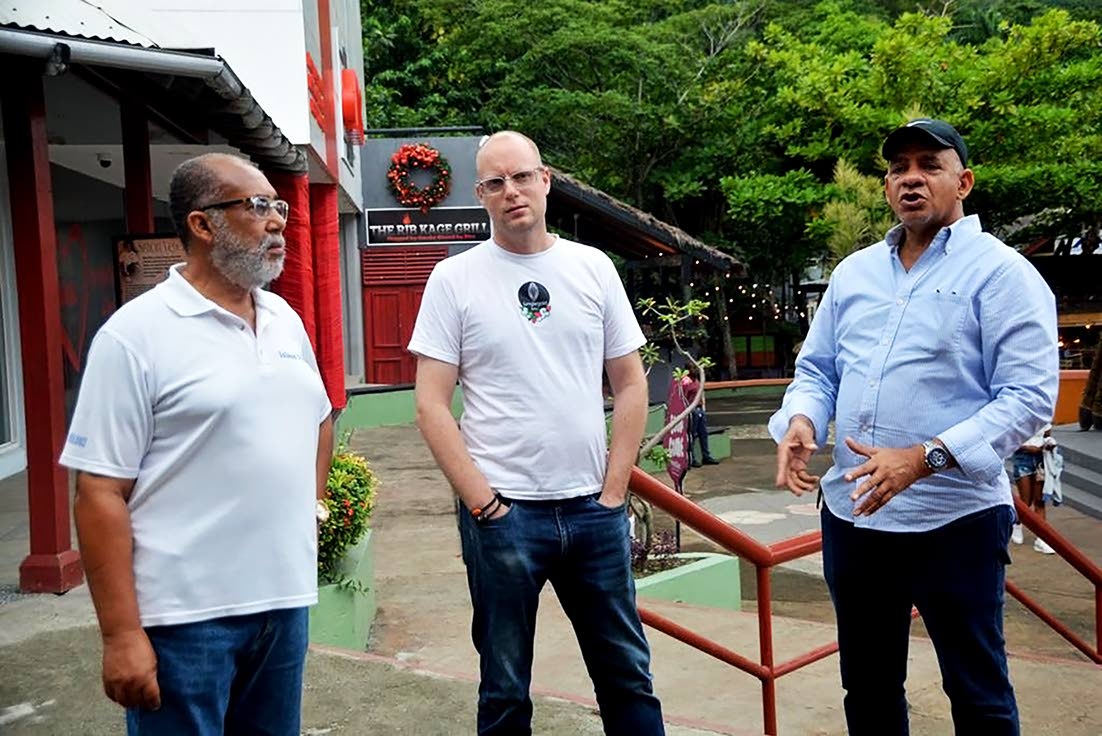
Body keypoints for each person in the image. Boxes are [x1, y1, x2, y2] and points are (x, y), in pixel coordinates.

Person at [770, 119, 1058, 735]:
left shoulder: (1002, 274)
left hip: (953, 520)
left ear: (964, 181)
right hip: (856, 516)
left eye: (929, 164)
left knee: (976, 690)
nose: (911, 178)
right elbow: (818, 369)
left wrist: (922, 458)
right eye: (899, 167)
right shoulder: (853, 274)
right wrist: (801, 420)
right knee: (868, 687)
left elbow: (1030, 398)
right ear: (886, 186)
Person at [60, 153, 333, 735]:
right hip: (185, 621)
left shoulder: (284, 318)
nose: (278, 221)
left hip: (283, 607)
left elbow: (318, 418)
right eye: (257, 206)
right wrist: (121, 634)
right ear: (202, 225)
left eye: (279, 206)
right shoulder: (135, 336)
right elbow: (99, 491)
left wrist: (311, 509)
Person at [409, 131, 664, 736]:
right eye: (496, 183)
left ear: (545, 180)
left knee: (627, 677)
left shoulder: (592, 267)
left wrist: (613, 490)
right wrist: (484, 503)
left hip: (591, 511)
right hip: (504, 516)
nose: (511, 192)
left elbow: (630, 384)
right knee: (503, 688)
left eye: (521, 177)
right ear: (480, 195)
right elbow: (430, 403)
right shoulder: (454, 278)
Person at [1010, 424, 1057, 554]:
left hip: (1041, 459)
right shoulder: (1019, 417)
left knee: (1040, 501)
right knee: (1026, 501)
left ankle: (1041, 540)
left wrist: (1049, 443)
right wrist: (1026, 447)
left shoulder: (1045, 417)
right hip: (1022, 458)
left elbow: (1047, 436)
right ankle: (1017, 525)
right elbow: (1010, 441)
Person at [681, 374, 718, 466]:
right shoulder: (685, 381)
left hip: (700, 408)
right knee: (692, 434)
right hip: (692, 409)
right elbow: (683, 397)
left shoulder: (697, 380)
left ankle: (706, 456)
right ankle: (691, 458)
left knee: (703, 433)